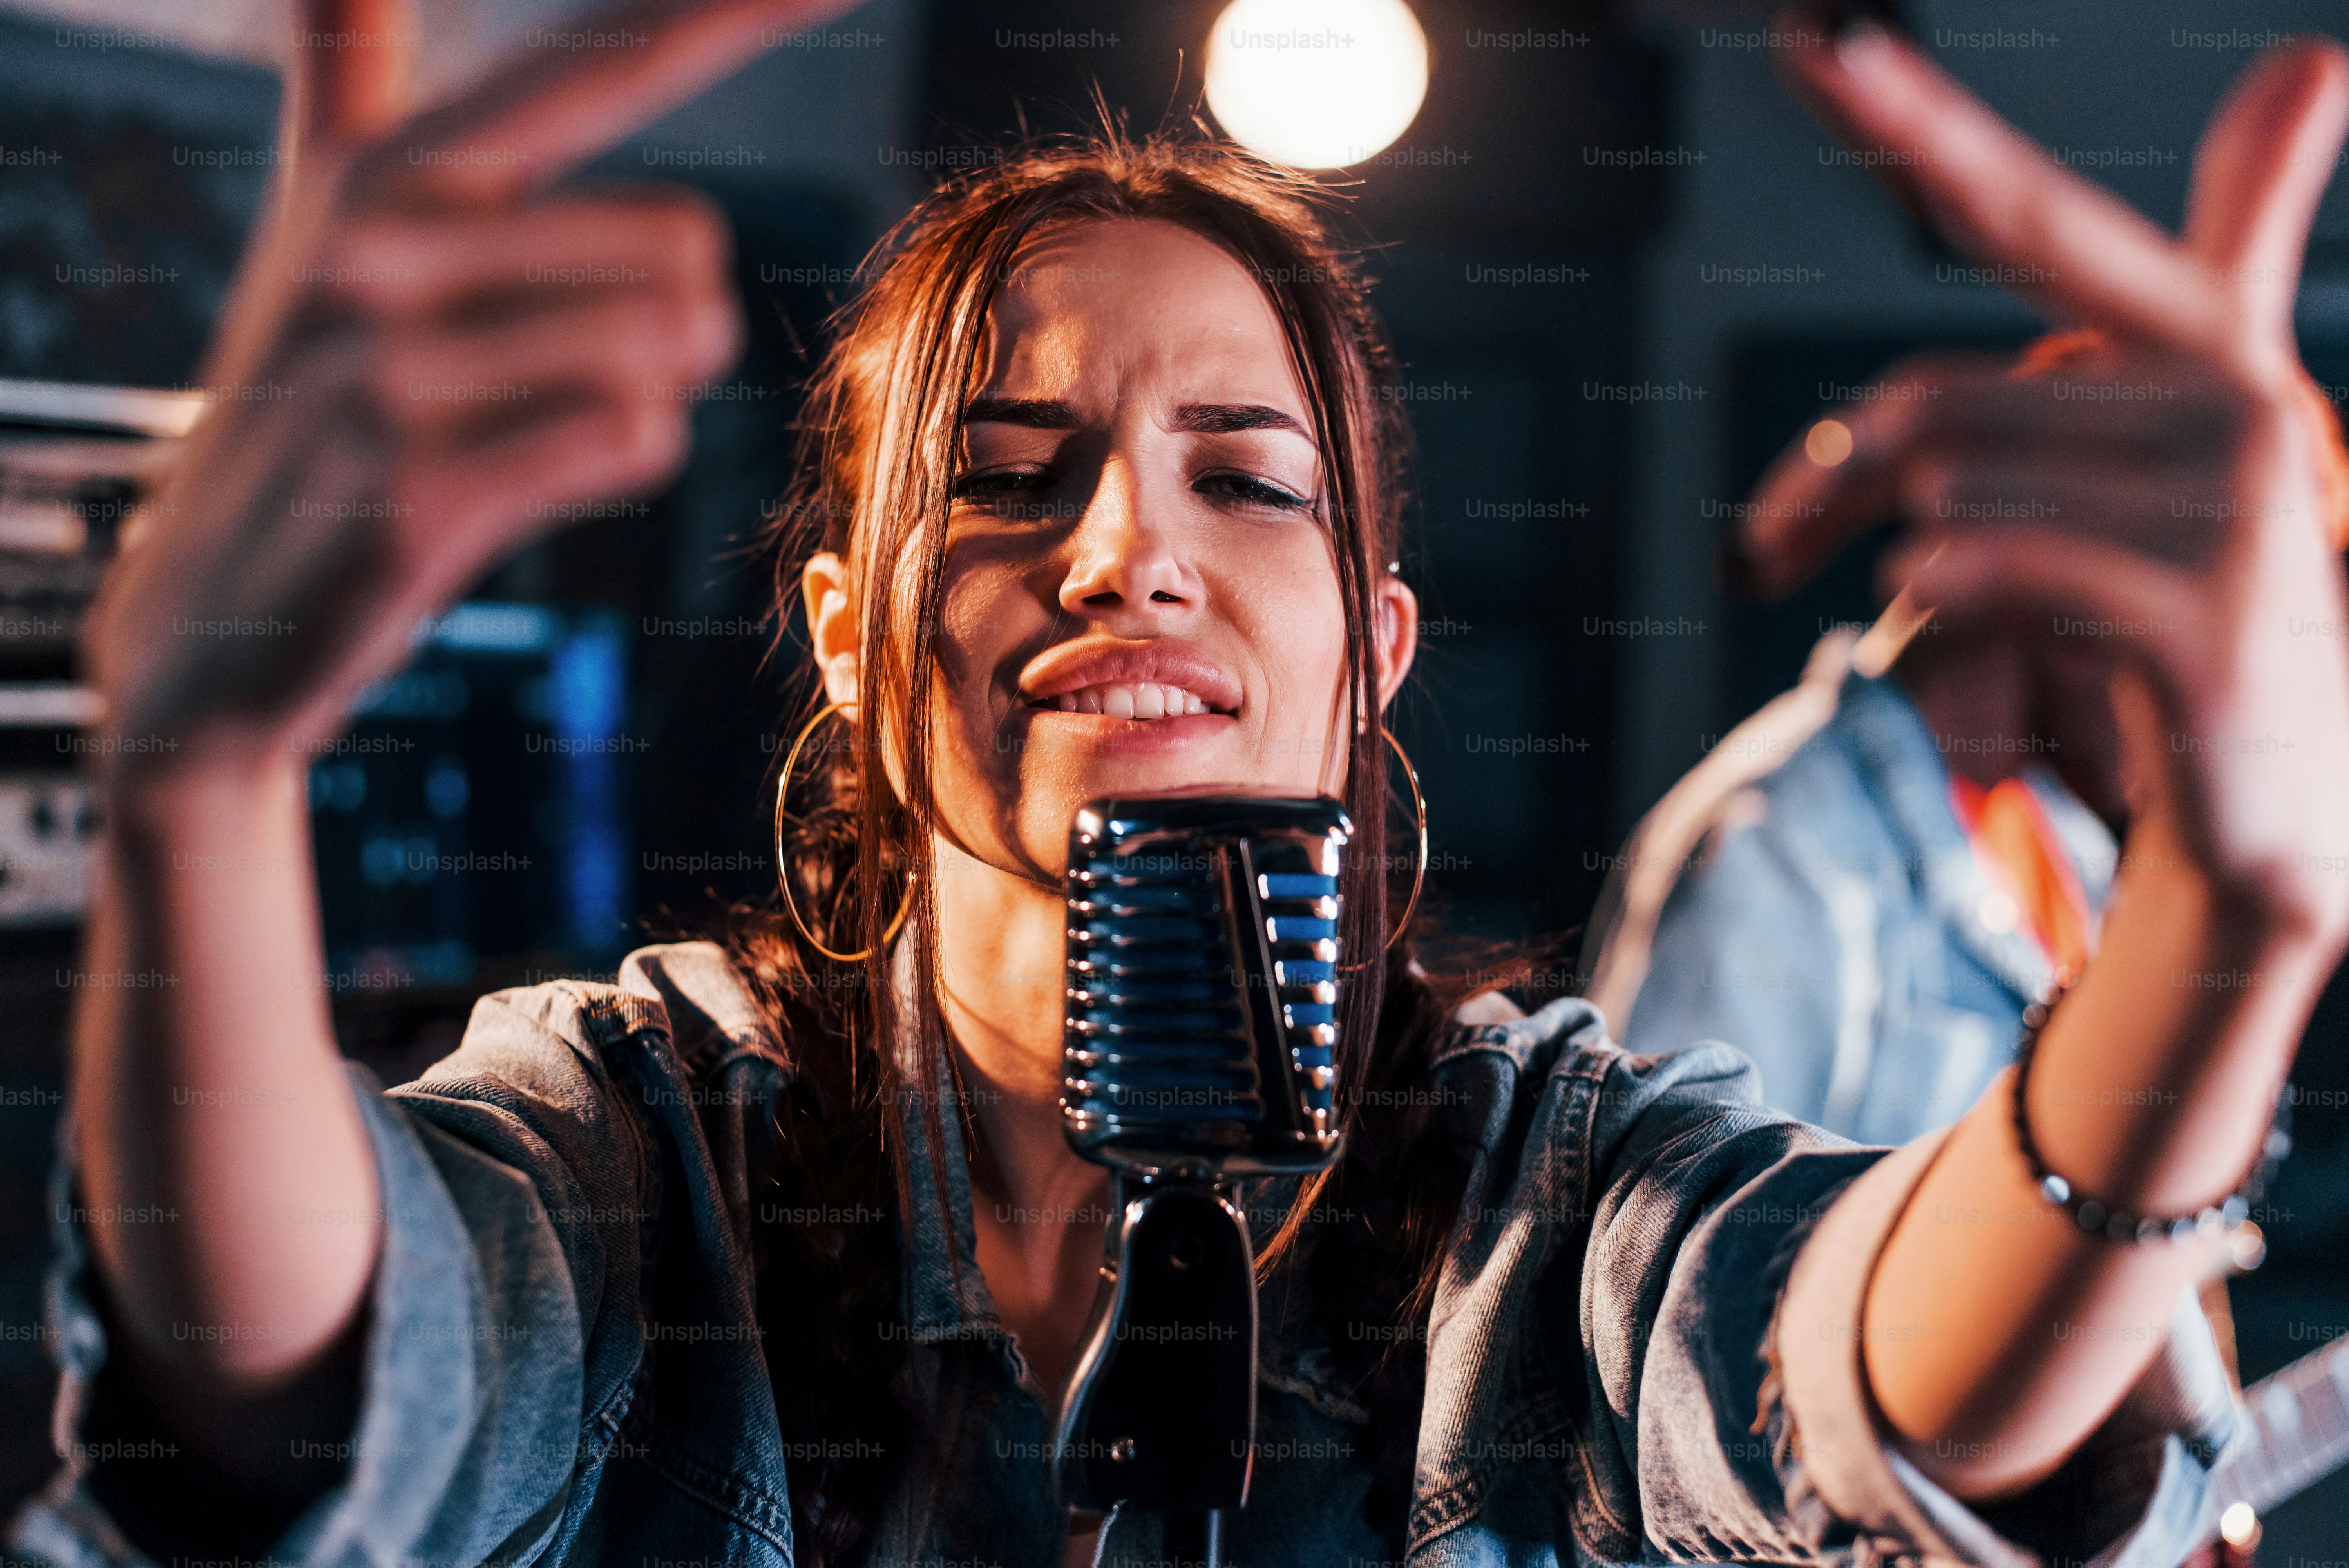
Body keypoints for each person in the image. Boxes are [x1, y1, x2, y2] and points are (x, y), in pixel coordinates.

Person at [20, 2, 2349, 1565]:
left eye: (1248, 483)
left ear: (1376, 655)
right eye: (1015, 476)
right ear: (845, 628)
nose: (1129, 550)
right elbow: (307, 1380)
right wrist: (196, 776)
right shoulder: (645, 1133)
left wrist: (2227, 939)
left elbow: (1860, 1368)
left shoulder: (1543, 1177)